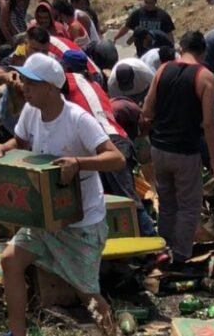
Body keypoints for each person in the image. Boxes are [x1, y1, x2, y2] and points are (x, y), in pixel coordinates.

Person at [0, 53, 124, 336]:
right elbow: (23, 142)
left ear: (51, 87)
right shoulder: (30, 111)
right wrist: (6, 146)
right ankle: (17, 333)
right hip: (44, 215)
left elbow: (116, 158)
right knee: (9, 261)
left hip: (79, 222)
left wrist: (79, 163)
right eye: (24, 80)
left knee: (87, 294)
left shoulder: (78, 120)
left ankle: (111, 332)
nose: (24, 87)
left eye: (31, 83)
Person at [142, 31, 214, 269]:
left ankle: (162, 252)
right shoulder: (205, 77)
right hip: (185, 152)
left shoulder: (162, 70)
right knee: (188, 206)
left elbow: (147, 110)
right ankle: (181, 258)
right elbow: (208, 123)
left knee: (166, 204)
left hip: (159, 149)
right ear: (203, 52)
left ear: (180, 48)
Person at [60, 50, 156, 237]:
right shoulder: (93, 84)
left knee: (125, 197)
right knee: (113, 197)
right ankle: (129, 243)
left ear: (68, 68)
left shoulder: (69, 80)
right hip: (116, 140)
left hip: (108, 142)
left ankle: (151, 240)